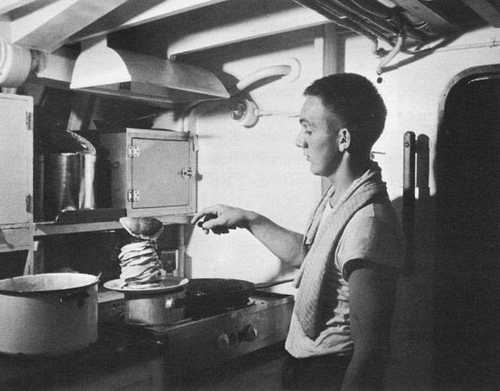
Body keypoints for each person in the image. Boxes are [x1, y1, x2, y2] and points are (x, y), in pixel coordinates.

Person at [191, 73, 404, 390]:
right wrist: (248, 218)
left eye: (308, 128)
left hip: (330, 373)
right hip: (306, 367)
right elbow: (310, 256)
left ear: (343, 139)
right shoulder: (340, 200)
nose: (299, 140)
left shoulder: (367, 224)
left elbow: (371, 350)